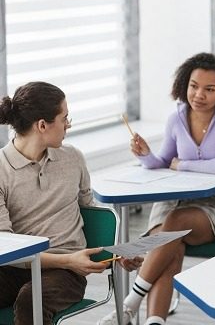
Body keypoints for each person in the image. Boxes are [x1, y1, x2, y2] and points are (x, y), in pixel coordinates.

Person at [99, 53, 215, 325]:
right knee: (173, 246)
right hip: (172, 201)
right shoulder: (177, 117)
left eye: (209, 89)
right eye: (194, 85)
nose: (199, 94)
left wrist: (184, 165)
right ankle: (155, 321)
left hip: (214, 205)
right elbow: (164, 162)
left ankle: (130, 302)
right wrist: (146, 155)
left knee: (175, 225)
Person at [0, 81, 142, 325]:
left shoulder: (72, 158)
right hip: (15, 266)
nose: (69, 124)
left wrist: (116, 254)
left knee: (30, 300)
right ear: (42, 125)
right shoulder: (2, 169)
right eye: (64, 118)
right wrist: (69, 259)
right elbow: (6, 246)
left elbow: (91, 213)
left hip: (66, 273)